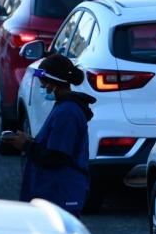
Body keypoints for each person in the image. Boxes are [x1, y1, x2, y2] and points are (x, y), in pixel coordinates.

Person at [7, 54, 94, 216]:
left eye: (43, 83)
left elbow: (57, 157)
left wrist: (26, 145)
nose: (42, 87)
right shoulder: (63, 108)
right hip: (54, 194)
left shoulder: (68, 113)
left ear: (54, 84)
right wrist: (29, 141)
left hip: (61, 195)